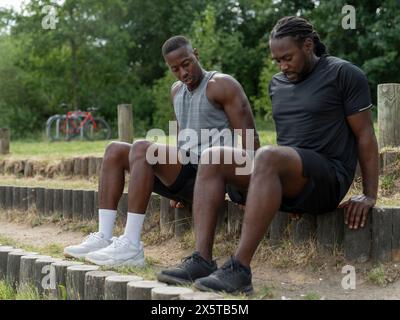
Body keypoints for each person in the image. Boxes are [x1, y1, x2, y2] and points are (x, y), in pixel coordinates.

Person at [157, 16, 379, 294]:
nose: (283, 66)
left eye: (288, 58)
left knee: (266, 156)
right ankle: (202, 259)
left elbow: (365, 136)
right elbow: (287, 143)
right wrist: (267, 188)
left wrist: (370, 194)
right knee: (214, 156)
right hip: (289, 175)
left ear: (308, 45)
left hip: (327, 176)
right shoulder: (278, 83)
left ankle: (240, 269)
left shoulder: (344, 74)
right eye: (277, 61)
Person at [63, 35, 260, 267]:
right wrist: (174, 184)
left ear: (196, 54)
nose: (182, 73)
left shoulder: (222, 85)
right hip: (187, 174)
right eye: (175, 69)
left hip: (211, 175)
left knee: (142, 148)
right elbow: (184, 139)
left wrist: (248, 190)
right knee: (115, 150)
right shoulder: (177, 90)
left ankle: (132, 246)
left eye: (186, 63)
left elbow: (250, 138)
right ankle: (104, 236)